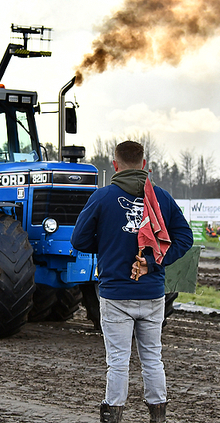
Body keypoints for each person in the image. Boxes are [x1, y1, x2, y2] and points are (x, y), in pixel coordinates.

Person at [71, 141, 192, 423]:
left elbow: (79, 240)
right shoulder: (161, 197)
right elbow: (185, 237)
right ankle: (158, 416)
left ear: (115, 165)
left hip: (115, 295)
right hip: (152, 294)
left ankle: (113, 416)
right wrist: (153, 262)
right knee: (152, 359)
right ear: (144, 163)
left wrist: (108, 247)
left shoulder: (102, 198)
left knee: (118, 363)